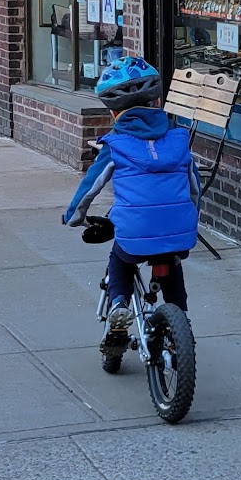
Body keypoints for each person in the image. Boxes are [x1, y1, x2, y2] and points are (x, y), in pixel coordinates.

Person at [62, 55, 200, 342]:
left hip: (136, 232)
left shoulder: (115, 145)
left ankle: (119, 305)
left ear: (114, 113)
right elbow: (194, 189)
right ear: (157, 103)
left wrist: (74, 217)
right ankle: (182, 319)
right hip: (180, 230)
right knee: (171, 263)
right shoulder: (178, 140)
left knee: (121, 258)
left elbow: (89, 189)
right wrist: (188, 216)